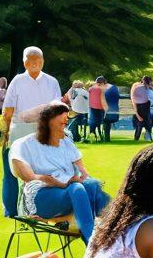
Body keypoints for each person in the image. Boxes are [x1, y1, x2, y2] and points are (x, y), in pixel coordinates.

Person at [10, 103, 111, 245]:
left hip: (69, 193)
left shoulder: (65, 142)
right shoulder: (24, 144)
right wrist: (64, 183)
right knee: (77, 188)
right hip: (41, 197)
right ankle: (94, 244)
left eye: (66, 122)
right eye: (61, 123)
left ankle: (118, 232)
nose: (66, 126)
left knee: (92, 185)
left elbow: (83, 172)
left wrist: (83, 178)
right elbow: (29, 177)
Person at [1, 48, 62, 218]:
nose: (35, 64)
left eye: (38, 61)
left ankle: (30, 210)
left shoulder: (51, 81)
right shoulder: (18, 81)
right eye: (31, 61)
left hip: (41, 131)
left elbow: (57, 109)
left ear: (43, 62)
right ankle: (13, 210)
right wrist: (6, 133)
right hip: (23, 130)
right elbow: (8, 110)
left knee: (35, 172)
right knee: (15, 171)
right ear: (25, 63)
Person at [131, 76, 153, 142]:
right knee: (147, 124)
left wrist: (137, 114)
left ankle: (137, 138)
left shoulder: (137, 87)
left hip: (140, 107)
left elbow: (134, 101)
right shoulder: (144, 88)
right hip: (143, 107)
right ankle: (149, 138)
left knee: (140, 124)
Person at [87, 76, 107, 142]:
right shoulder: (103, 89)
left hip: (92, 107)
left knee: (93, 122)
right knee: (99, 122)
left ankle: (92, 134)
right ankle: (98, 135)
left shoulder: (91, 89)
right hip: (100, 108)